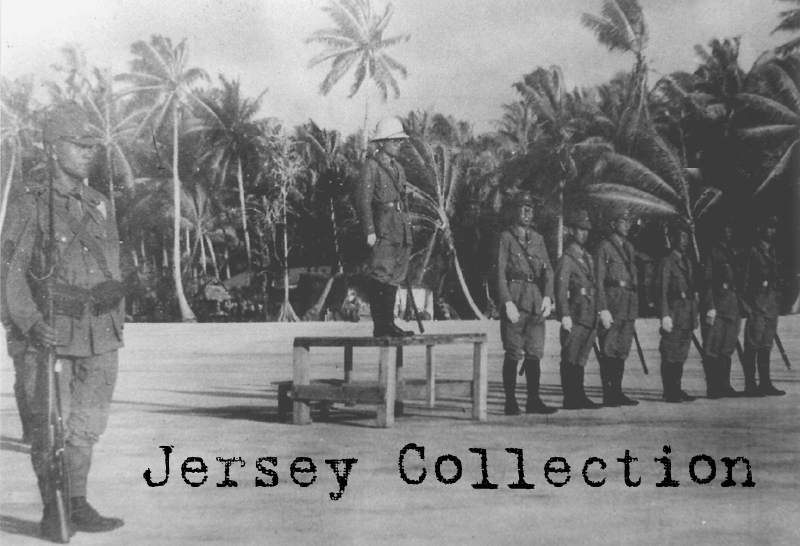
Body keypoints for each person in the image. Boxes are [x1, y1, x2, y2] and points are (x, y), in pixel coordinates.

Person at [3, 102, 126, 539]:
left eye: (92, 145)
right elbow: (10, 272)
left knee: (86, 427)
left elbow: (111, 268)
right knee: (48, 428)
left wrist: (116, 318)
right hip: (51, 333)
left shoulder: (100, 204)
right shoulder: (31, 202)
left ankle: (77, 502)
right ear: (55, 148)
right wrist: (32, 323)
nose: (87, 152)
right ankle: (52, 510)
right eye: (78, 144)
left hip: (100, 334)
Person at [496, 192, 557, 415]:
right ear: (514, 211)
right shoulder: (506, 238)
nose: (527, 212)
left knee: (535, 352)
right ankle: (510, 402)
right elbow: (500, 272)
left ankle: (533, 400)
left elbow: (548, 270)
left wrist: (548, 297)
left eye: (530, 208)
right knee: (513, 352)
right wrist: (506, 301)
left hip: (535, 300)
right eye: (522, 208)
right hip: (515, 299)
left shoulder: (538, 239)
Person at [355, 117, 414, 337]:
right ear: (383, 142)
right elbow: (363, 200)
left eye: (401, 141)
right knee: (381, 274)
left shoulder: (399, 168)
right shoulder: (371, 166)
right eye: (395, 141)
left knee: (394, 276)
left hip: (399, 227)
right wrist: (369, 230)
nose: (399, 144)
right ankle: (381, 325)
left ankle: (389, 322)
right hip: (383, 227)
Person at [554, 210, 601, 410]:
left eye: (587, 230)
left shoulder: (588, 258)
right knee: (570, 355)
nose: (584, 233)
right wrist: (564, 315)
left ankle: (579, 395)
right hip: (575, 313)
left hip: (589, 313)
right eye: (580, 229)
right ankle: (570, 397)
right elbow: (561, 289)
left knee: (581, 357)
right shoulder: (567, 258)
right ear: (572, 231)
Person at [595, 208, 640, 407]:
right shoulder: (604, 247)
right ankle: (608, 393)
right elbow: (598, 280)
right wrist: (602, 308)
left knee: (622, 350)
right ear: (613, 224)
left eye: (629, 221)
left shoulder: (629, 247)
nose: (627, 225)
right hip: (612, 303)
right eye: (623, 220)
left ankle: (618, 391)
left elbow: (633, 279)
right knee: (609, 349)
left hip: (628, 304)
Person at [741, 215, 786, 396]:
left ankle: (765, 383)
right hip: (757, 306)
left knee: (766, 345)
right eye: (768, 227)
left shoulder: (772, 251)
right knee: (752, 345)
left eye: (774, 227)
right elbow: (743, 280)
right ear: (760, 229)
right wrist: (749, 304)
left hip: (772, 305)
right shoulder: (752, 251)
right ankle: (750, 385)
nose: (772, 231)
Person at [700, 216, 743, 398]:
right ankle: (713, 387)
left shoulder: (732, 251)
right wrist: (710, 306)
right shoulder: (712, 252)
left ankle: (725, 385)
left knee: (727, 348)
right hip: (718, 305)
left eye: (730, 229)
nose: (728, 232)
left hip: (733, 305)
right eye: (725, 229)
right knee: (712, 348)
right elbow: (706, 282)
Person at [656, 224, 698, 403]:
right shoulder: (667, 261)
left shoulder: (687, 261)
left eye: (687, 238)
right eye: (682, 238)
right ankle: (669, 391)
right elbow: (661, 290)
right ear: (673, 240)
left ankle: (677, 388)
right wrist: (664, 314)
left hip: (686, 312)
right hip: (674, 312)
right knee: (670, 352)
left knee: (681, 352)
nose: (685, 241)